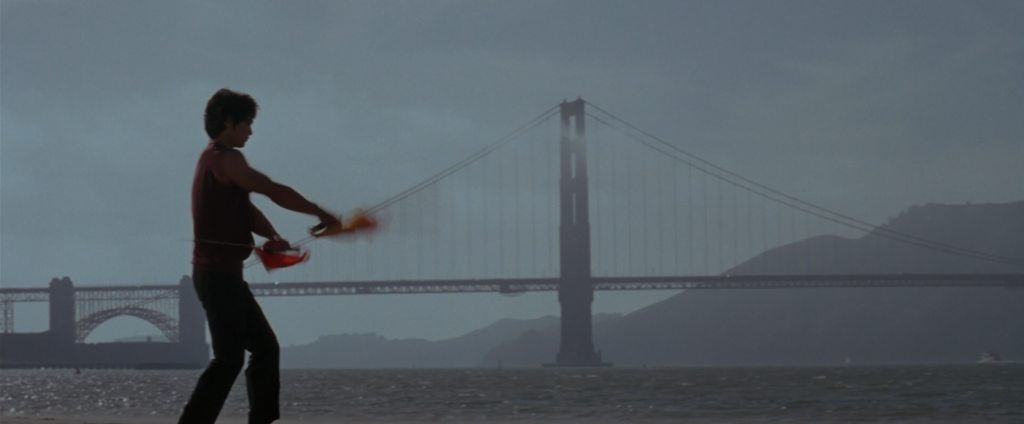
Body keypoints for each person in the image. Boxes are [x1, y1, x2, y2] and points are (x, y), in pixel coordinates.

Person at [180, 88, 339, 424]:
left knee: (266, 349)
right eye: (247, 124)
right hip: (216, 276)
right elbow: (272, 189)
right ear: (228, 122)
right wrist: (319, 212)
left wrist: (271, 235)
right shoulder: (226, 158)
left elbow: (245, 206)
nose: (251, 131)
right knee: (228, 359)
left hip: (226, 276)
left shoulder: (215, 159)